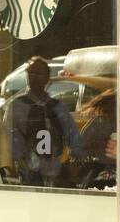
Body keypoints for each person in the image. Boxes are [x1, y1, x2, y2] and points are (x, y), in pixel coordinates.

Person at [5, 56, 81, 187]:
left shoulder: (58, 107)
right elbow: (7, 137)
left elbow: (73, 135)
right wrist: (15, 163)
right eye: (31, 73)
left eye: (38, 73)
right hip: (27, 172)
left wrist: (76, 160)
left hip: (56, 172)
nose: (34, 77)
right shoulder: (16, 106)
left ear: (47, 78)